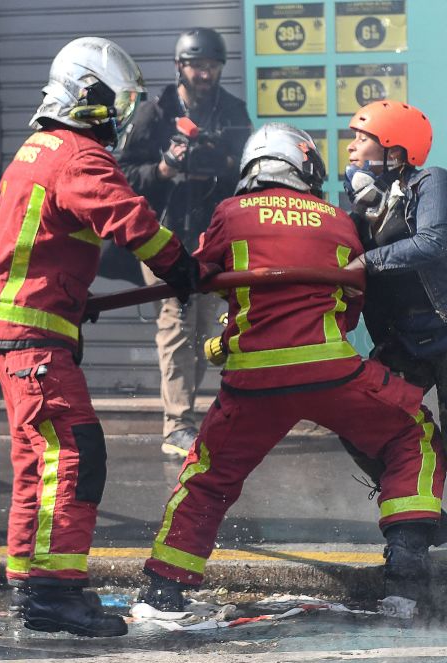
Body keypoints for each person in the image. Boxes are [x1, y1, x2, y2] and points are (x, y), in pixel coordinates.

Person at [139, 123, 447, 618]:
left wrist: (229, 338)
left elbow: (201, 276)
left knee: (208, 476)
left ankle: (162, 592)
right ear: (306, 166)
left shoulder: (229, 213)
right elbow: (348, 311)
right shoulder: (337, 220)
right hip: (331, 373)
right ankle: (406, 582)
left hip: (252, 384)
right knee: (414, 435)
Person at [0, 37, 205, 638]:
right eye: (114, 106)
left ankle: (30, 584)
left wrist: (73, 300)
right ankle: (56, 593)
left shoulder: (34, 151)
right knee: (75, 455)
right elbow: (128, 218)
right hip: (34, 336)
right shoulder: (78, 155)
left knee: (36, 462)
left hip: (19, 330)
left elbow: (45, 243)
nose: (119, 120)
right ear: (89, 98)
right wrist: (182, 267)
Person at [342, 100, 447, 627]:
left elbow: (433, 243)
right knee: (359, 415)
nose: (350, 147)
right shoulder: (359, 209)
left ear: (393, 148)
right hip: (407, 339)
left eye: (360, 138)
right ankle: (427, 517)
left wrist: (367, 259)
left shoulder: (430, 181)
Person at [117, 27, 252, 457]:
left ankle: (192, 416)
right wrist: (162, 170)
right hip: (164, 233)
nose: (205, 73)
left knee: (205, 327)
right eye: (197, 65)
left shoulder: (233, 111)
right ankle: (177, 424)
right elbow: (123, 177)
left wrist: (224, 161)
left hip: (212, 235)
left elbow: (248, 174)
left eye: (212, 65)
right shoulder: (154, 112)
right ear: (180, 66)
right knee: (176, 323)